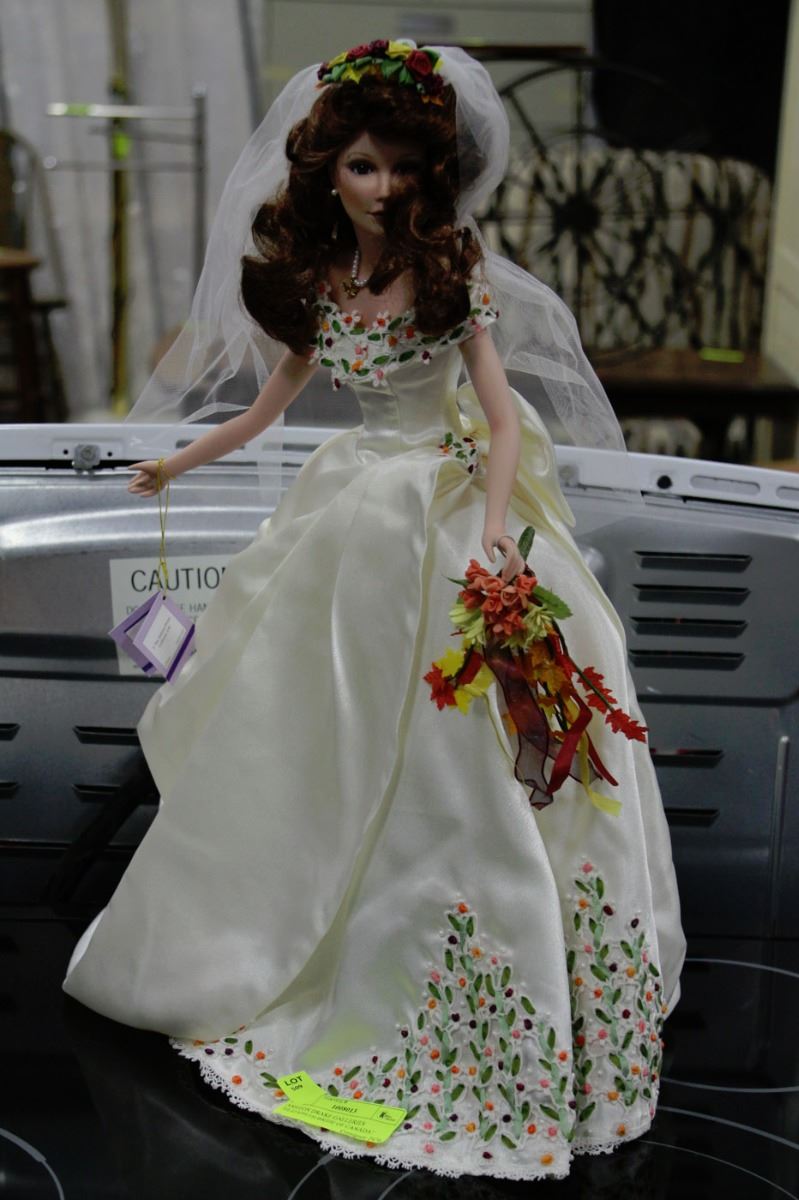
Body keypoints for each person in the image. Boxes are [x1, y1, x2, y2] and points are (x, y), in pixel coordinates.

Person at [63, 40, 686, 1182]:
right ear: (325, 172)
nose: (383, 185)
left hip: (444, 507)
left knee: (476, 745)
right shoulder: (320, 288)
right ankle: (291, 941)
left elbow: (502, 417)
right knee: (310, 726)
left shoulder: (451, 277)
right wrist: (175, 463)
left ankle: (505, 994)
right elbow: (266, 409)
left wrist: (493, 529)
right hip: (353, 511)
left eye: (402, 166)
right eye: (362, 165)